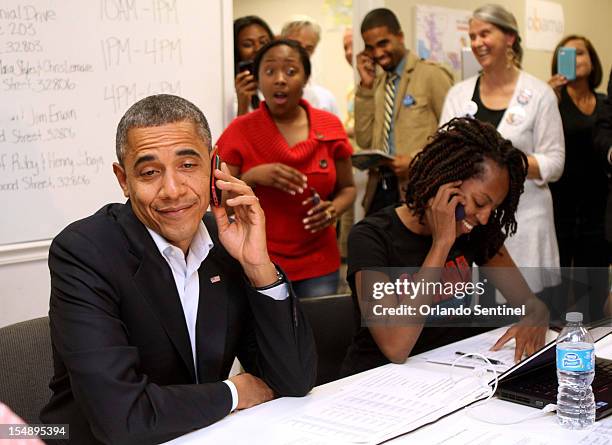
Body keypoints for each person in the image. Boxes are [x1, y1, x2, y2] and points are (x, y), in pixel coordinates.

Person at [40, 94, 317, 444]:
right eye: (149, 172)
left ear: (214, 166)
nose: (172, 190)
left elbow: (293, 381)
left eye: (188, 165)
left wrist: (258, 266)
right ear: (123, 180)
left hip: (198, 434)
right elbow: (121, 418)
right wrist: (234, 393)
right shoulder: (85, 251)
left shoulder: (225, 241)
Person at [341, 118, 549, 377]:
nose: (485, 218)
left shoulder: (477, 232)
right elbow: (396, 346)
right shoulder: (371, 237)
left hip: (449, 374)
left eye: (493, 209)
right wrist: (441, 243)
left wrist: (535, 316)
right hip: (380, 381)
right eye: (480, 202)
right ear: (446, 182)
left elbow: (531, 303)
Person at [440, 4, 565, 297]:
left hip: (526, 224)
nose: (476, 43)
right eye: (472, 36)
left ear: (509, 37)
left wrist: (506, 164)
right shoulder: (458, 95)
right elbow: (442, 151)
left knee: (528, 311)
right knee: (480, 322)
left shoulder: (539, 94)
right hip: (470, 223)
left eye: (485, 33)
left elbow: (555, 162)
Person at [217, 39, 356, 298]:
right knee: (270, 336)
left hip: (319, 262)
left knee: (317, 333)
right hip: (259, 260)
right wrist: (251, 178)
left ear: (305, 79)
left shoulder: (330, 126)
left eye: (291, 71)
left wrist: (333, 209)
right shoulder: (240, 130)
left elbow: (348, 188)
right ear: (258, 80)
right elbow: (220, 204)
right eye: (270, 72)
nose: (280, 79)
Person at [354, 8, 453, 216]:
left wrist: (416, 161)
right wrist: (365, 86)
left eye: (383, 43)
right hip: (379, 190)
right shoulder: (378, 83)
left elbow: (454, 135)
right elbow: (364, 139)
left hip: (418, 189)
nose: (378, 54)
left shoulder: (430, 74)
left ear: (400, 37)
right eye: (370, 48)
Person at [548, 36, 607, 321]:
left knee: (594, 284)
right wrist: (547, 98)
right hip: (560, 203)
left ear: (592, 60)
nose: (574, 58)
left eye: (580, 52)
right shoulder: (552, 100)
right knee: (556, 282)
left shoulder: (606, 102)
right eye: (566, 54)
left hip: (597, 204)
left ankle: (595, 340)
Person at [281, 17, 341, 116]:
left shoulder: (325, 98)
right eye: (296, 45)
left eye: (309, 48)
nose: (302, 53)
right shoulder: (267, 91)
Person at [232, 15, 275, 117]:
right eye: (248, 44)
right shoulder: (232, 92)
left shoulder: (280, 84)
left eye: (263, 42)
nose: (258, 49)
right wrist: (243, 105)